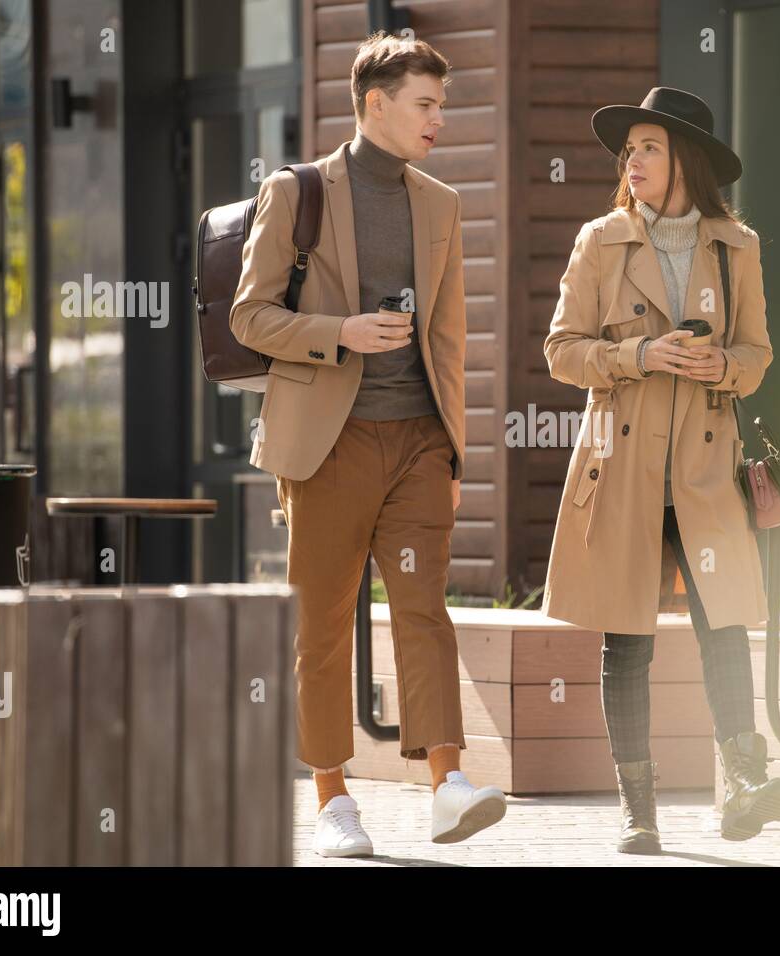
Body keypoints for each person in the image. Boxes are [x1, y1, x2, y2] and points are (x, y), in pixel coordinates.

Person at [230, 32, 506, 857]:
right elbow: (249, 316)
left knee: (424, 612)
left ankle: (447, 784)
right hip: (330, 444)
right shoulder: (297, 193)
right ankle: (332, 801)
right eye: (425, 105)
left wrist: (454, 453)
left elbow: (449, 339)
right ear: (376, 104)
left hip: (419, 442)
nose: (438, 122)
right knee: (321, 624)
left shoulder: (441, 203)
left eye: (442, 106)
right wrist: (340, 331)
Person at [540, 87, 780, 853]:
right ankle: (638, 810)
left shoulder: (736, 244)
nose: (634, 160)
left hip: (705, 473)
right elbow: (561, 350)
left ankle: (745, 785)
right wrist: (637, 355)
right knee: (629, 640)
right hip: (620, 470)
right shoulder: (600, 240)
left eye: (649, 146)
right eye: (629, 150)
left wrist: (722, 363)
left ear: (685, 158)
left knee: (724, 624)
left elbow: (757, 357)